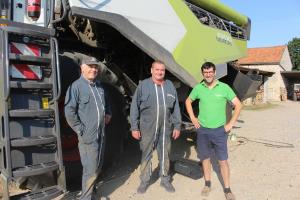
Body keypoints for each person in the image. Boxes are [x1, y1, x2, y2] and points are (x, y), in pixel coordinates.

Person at [185, 62, 242, 200]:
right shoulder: (199, 88)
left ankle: (227, 189)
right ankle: (207, 184)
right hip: (203, 130)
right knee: (205, 158)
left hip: (219, 131)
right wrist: (193, 118)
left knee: (223, 161)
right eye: (205, 72)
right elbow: (188, 101)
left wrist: (230, 124)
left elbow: (238, 105)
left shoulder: (224, 88)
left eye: (210, 72)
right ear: (203, 74)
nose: (208, 74)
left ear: (215, 72)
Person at [130, 60, 181, 194]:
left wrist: (177, 126)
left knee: (165, 153)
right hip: (147, 128)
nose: (160, 72)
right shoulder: (143, 86)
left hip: (166, 127)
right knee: (146, 154)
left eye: (162, 70)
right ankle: (145, 180)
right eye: (157, 69)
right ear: (151, 70)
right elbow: (134, 107)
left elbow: (176, 108)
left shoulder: (170, 86)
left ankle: (165, 179)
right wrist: (134, 127)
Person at [64, 56, 112, 200]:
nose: (94, 69)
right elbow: (69, 111)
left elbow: (106, 102)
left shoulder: (99, 86)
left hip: (101, 134)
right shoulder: (76, 87)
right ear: (82, 68)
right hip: (88, 136)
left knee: (97, 166)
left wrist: (108, 113)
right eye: (90, 66)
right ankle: (86, 197)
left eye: (96, 67)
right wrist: (80, 130)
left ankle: (91, 192)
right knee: (90, 169)